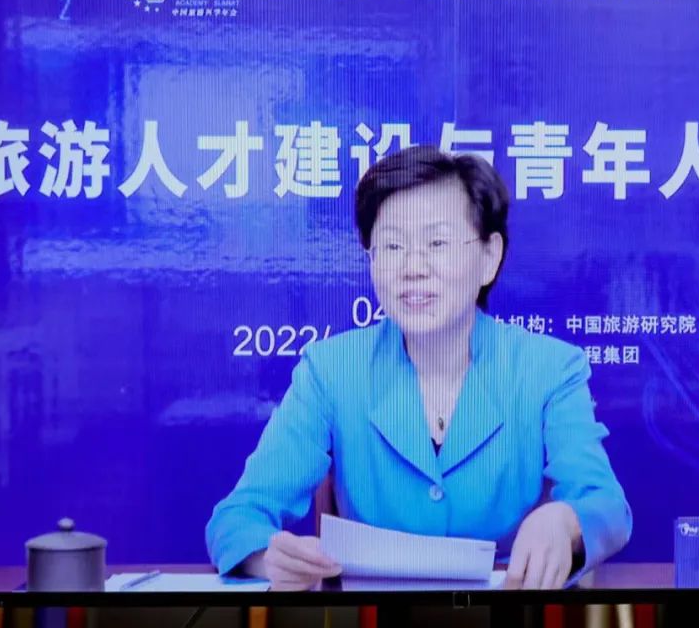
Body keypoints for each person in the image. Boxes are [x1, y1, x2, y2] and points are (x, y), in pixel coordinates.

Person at [206, 145, 632, 590]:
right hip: (372, 621)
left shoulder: (549, 369)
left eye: (437, 243)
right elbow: (236, 518)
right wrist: (267, 557)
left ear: (489, 257)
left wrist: (565, 521)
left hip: (511, 617)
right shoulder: (331, 370)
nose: (413, 267)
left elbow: (606, 504)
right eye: (392, 246)